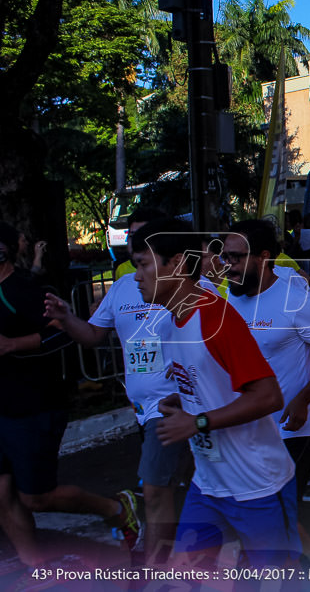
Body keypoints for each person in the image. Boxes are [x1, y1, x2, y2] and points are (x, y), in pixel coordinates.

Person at [132, 219, 299, 568]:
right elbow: (209, 380)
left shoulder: (217, 319)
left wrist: (199, 421)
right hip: (208, 484)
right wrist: (185, 400)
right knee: (184, 573)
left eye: (143, 264)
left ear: (176, 264)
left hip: (257, 485)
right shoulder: (169, 323)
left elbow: (269, 396)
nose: (136, 277)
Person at [0, 222, 140, 579]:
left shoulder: (23, 291)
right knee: (1, 493)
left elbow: (67, 333)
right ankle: (37, 568)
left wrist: (15, 345)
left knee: (35, 498)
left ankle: (116, 507)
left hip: (32, 405)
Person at [42, 208, 181, 565]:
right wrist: (66, 318)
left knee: (156, 491)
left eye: (143, 260)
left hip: (172, 406)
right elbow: (92, 335)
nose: (138, 271)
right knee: (171, 489)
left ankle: (155, 567)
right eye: (134, 259)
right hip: (142, 408)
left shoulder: (192, 291)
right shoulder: (123, 288)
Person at [222, 220, 310, 554]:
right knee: (263, 514)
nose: (228, 266)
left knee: (276, 515)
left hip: (292, 428)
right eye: (226, 258)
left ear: (264, 257)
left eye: (237, 258)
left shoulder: (295, 298)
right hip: (245, 425)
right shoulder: (228, 300)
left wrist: (304, 399)